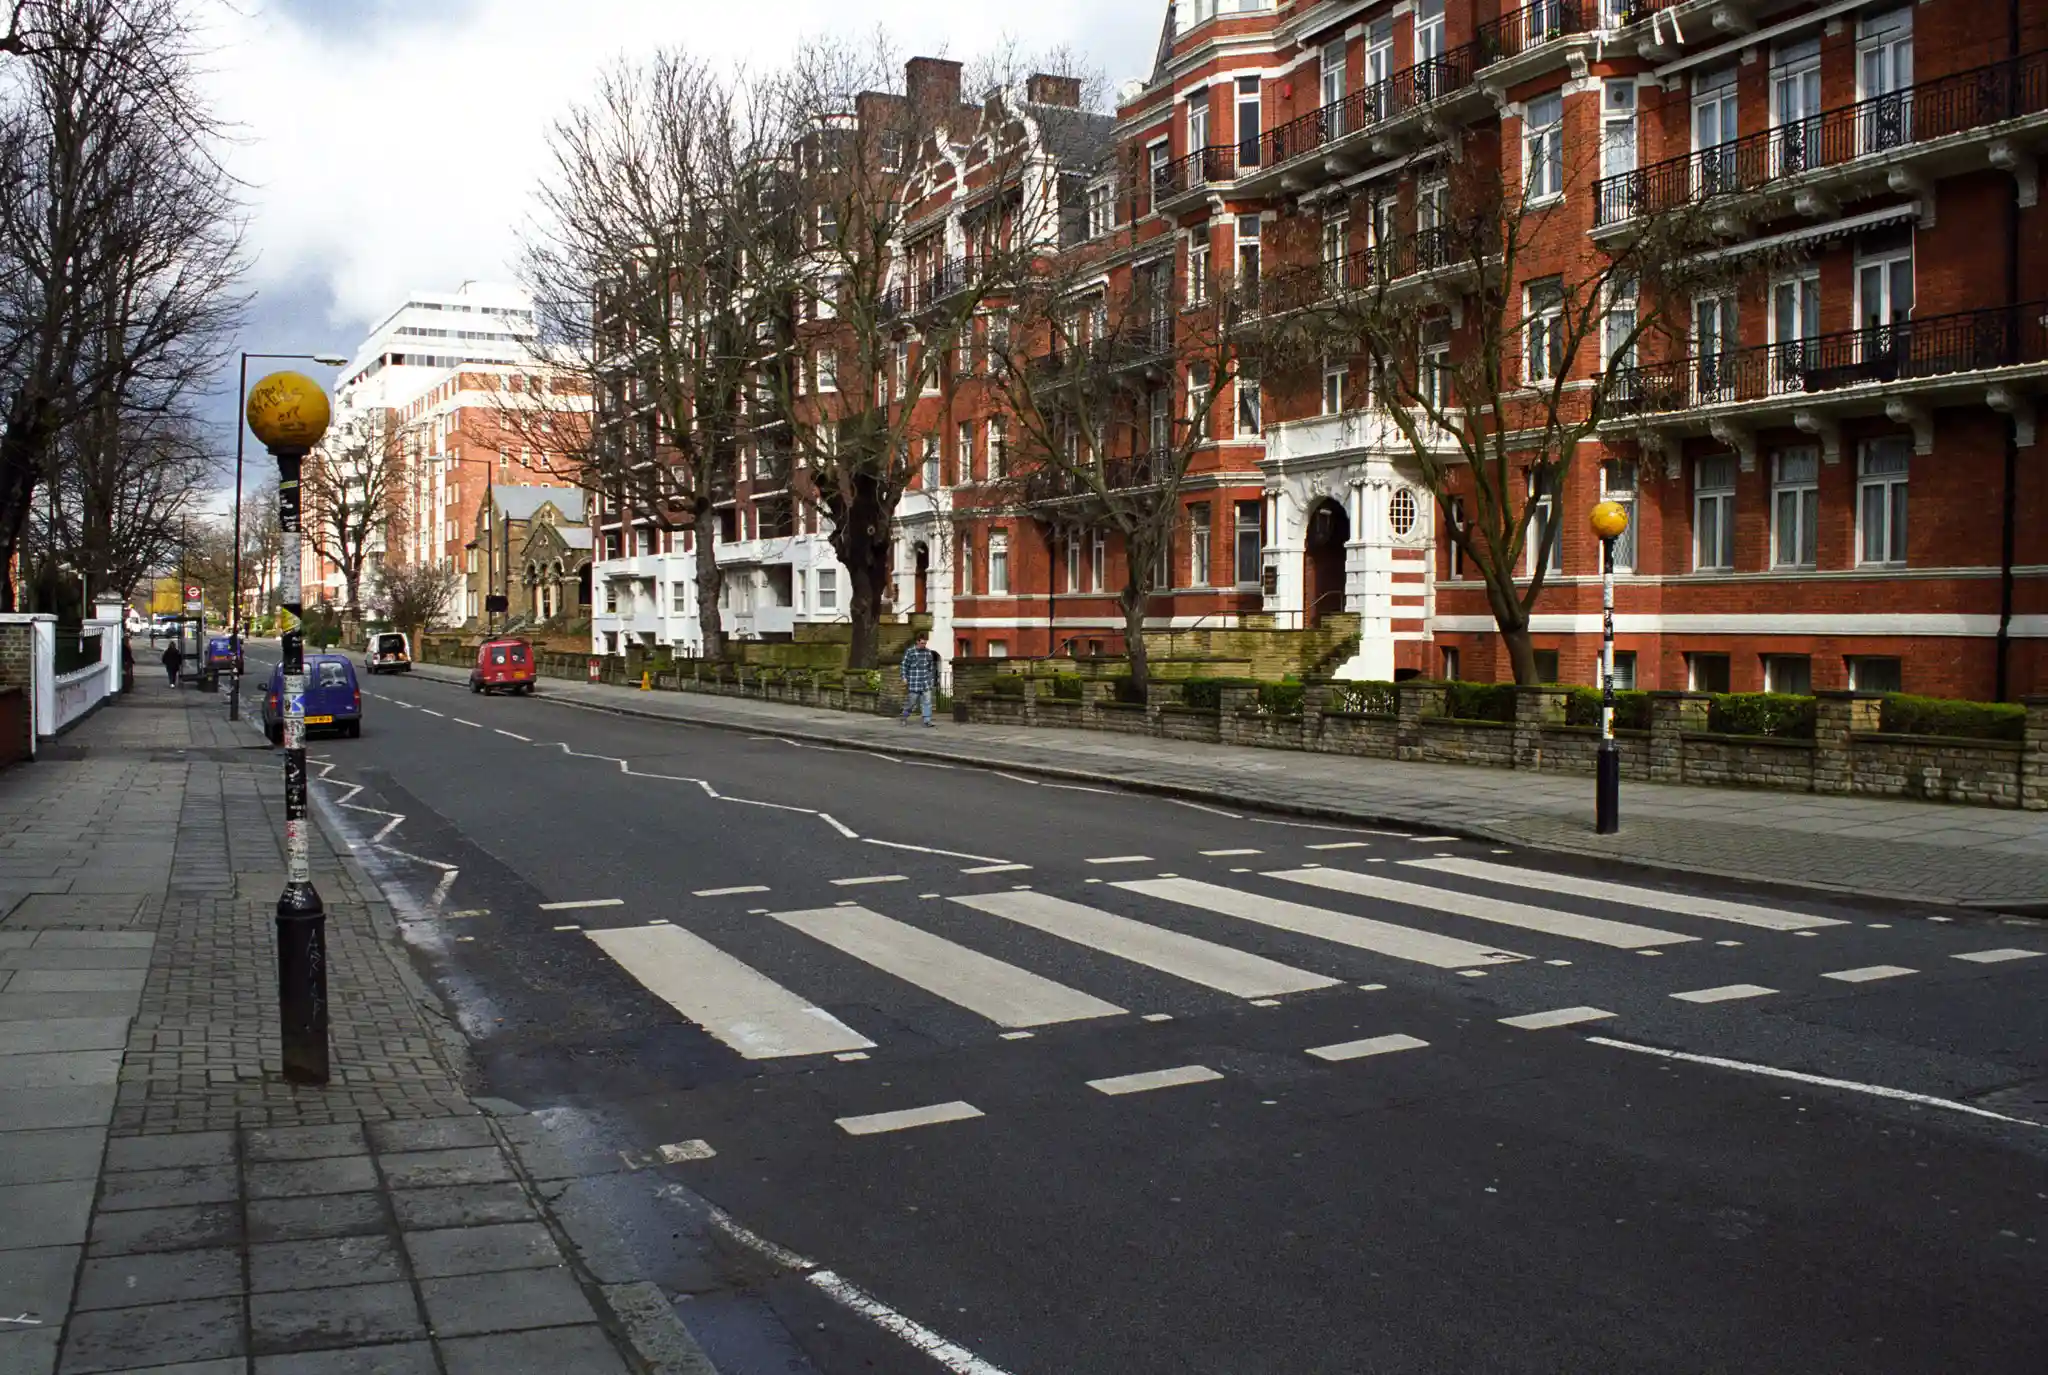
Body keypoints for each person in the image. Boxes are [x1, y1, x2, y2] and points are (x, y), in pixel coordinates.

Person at [898, 630, 940, 727]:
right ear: (917, 642)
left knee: (927, 702)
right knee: (911, 703)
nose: (924, 645)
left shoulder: (928, 652)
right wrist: (904, 677)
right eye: (922, 643)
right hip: (914, 683)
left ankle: (927, 721)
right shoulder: (910, 652)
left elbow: (930, 667)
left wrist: (931, 679)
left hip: (925, 683)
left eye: (925, 643)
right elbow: (904, 665)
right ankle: (904, 717)